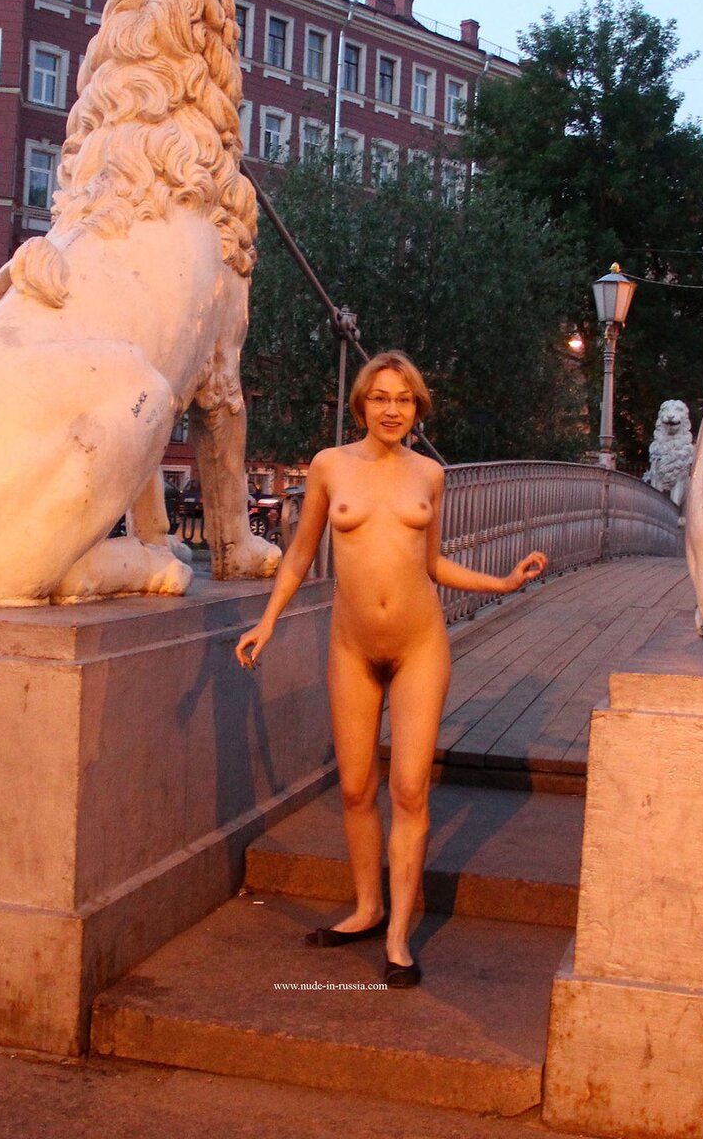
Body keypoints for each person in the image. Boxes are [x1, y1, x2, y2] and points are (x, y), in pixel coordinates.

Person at [234, 351, 546, 988]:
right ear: (361, 404)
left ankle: (399, 936)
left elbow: (433, 564)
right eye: (380, 397)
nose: (391, 409)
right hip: (351, 648)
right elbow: (299, 554)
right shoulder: (329, 466)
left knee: (408, 789)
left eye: (403, 399)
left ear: (417, 407)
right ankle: (367, 908)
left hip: (418, 648)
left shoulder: (429, 474)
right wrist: (268, 621)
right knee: (355, 789)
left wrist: (502, 583)